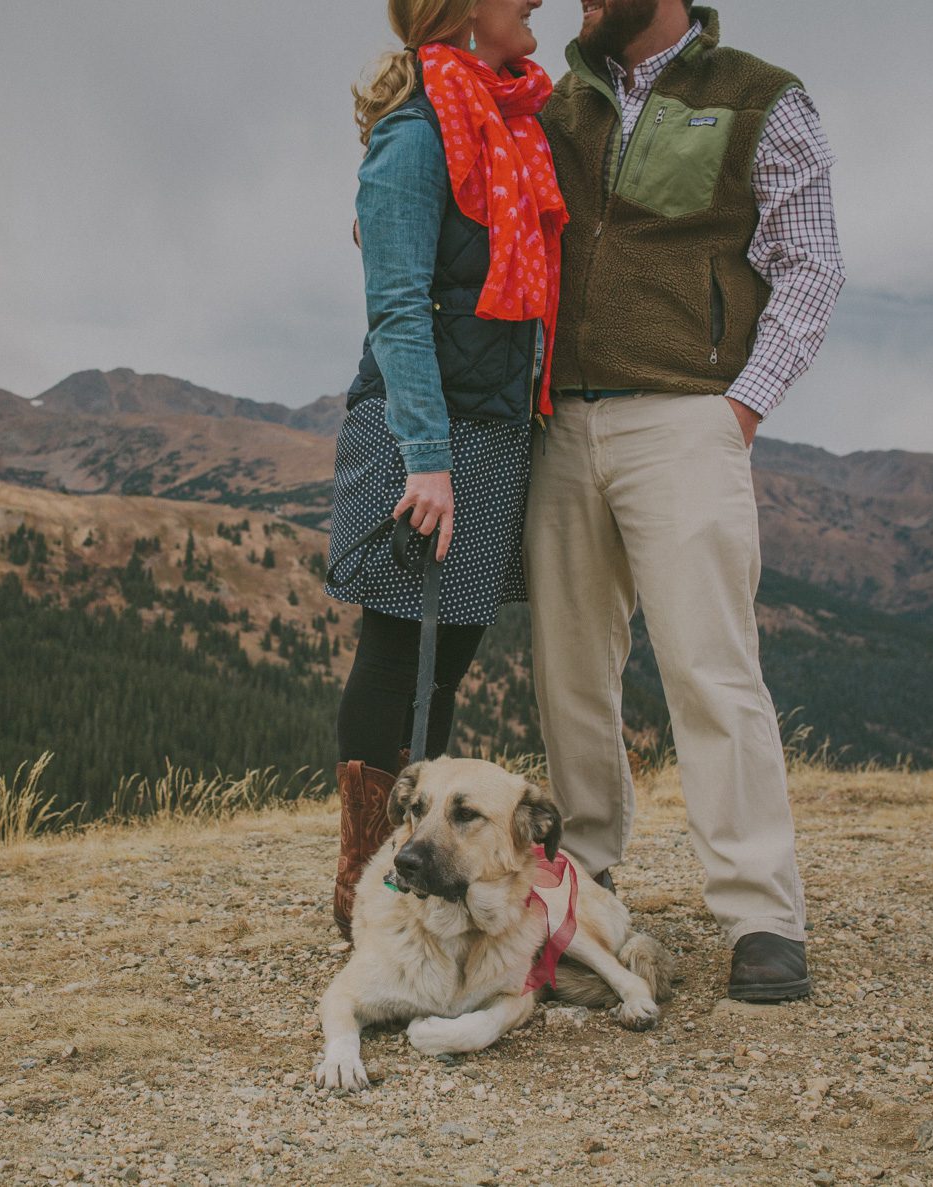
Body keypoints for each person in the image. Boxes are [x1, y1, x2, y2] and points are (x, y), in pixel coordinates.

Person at [529, 1, 844, 999]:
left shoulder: (759, 97)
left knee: (710, 666)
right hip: (561, 421)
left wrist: (738, 409)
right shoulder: (557, 100)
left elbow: (812, 264)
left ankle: (760, 912)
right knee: (570, 666)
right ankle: (584, 875)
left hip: (685, 418)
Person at [326, 0, 566, 939]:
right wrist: (427, 460)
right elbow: (396, 308)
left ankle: (419, 866)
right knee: (397, 652)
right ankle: (364, 881)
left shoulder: (511, 128)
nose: (538, 2)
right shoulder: (416, 137)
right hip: (422, 435)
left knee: (448, 661)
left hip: (494, 433)